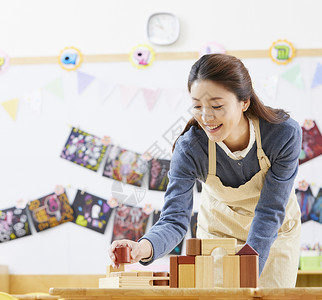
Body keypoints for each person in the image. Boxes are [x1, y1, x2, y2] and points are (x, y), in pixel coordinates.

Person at [109, 53, 302, 288]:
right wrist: (143, 247)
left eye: (217, 106)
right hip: (218, 235)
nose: (206, 117)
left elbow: (270, 210)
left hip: (274, 234)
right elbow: (174, 219)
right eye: (197, 106)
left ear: (244, 102)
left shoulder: (282, 134)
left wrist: (249, 265)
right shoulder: (190, 148)